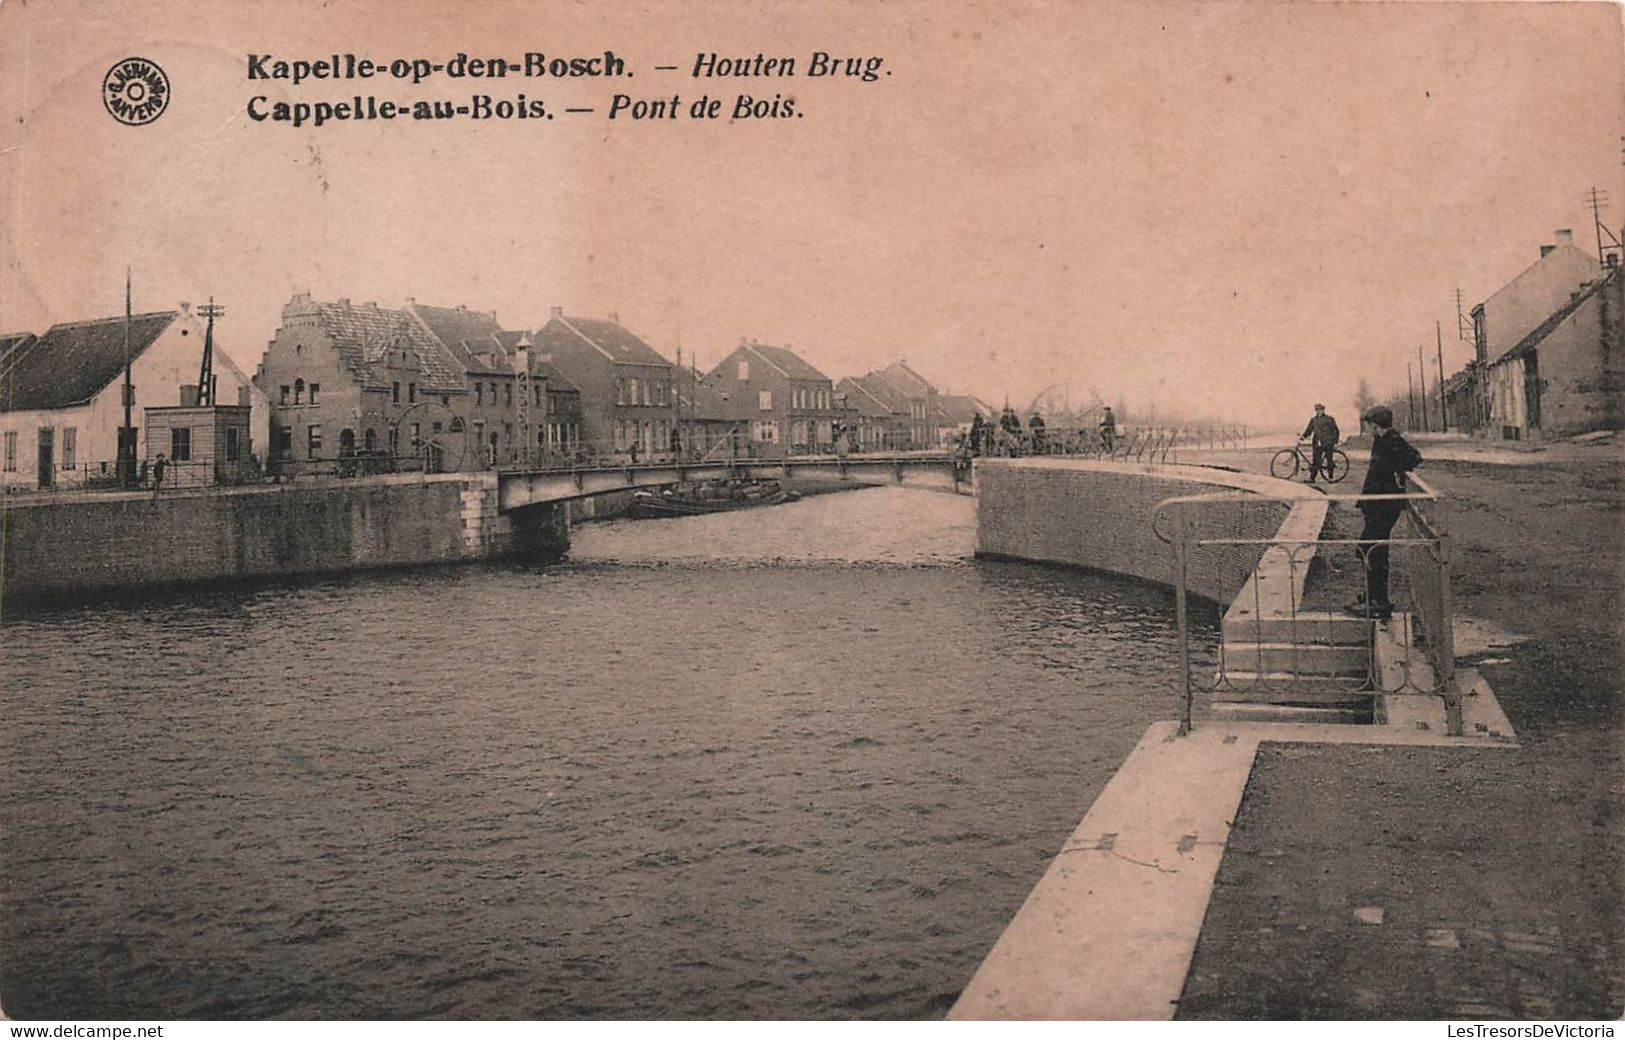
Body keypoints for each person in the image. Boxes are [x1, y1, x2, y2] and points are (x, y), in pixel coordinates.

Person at [1347, 406, 1422, 620]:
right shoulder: (1383, 440)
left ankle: (1378, 601)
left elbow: (1415, 457)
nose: (1369, 429)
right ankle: (1373, 596)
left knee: (1373, 551)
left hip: (1383, 507)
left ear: (1375, 425)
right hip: (1376, 506)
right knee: (1369, 550)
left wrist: (1396, 474)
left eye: (1370, 425)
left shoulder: (1392, 440)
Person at [1300, 403, 1341, 483]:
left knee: (1329, 460)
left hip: (1328, 443)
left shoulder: (1329, 419)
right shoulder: (1313, 420)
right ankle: (1312, 478)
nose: (1319, 411)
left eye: (1320, 410)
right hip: (1317, 443)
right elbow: (1309, 430)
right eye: (1317, 410)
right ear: (1315, 411)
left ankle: (1330, 478)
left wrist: (1335, 441)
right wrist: (1303, 437)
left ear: (1323, 410)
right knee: (1315, 461)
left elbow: (1336, 430)